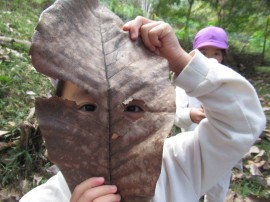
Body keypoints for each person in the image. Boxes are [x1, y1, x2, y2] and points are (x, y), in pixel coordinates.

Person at [19, 15, 266, 202]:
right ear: (59, 119)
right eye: (88, 107)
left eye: (133, 108)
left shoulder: (178, 165)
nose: (112, 128)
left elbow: (241, 123)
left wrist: (180, 62)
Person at [174, 26, 232, 202]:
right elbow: (177, 116)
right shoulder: (184, 84)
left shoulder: (228, 82)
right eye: (204, 53)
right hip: (192, 151)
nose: (210, 59)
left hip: (220, 151)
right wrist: (191, 115)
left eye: (217, 54)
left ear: (223, 57)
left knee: (217, 190)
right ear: (194, 54)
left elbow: (237, 114)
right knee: (189, 188)